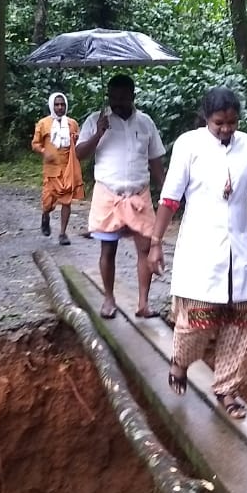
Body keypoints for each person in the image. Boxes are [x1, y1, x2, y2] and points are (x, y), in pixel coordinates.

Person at [147, 87, 247, 420]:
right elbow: (170, 199)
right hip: (201, 249)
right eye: (219, 123)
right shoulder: (189, 145)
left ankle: (228, 389)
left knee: (242, 325)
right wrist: (156, 241)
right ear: (207, 119)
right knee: (195, 322)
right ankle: (180, 361)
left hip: (239, 251)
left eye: (232, 122)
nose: (227, 129)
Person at [76, 74, 166, 319]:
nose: (117, 101)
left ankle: (143, 303)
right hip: (109, 194)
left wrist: (167, 193)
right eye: (113, 96)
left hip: (139, 194)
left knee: (145, 249)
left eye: (122, 96)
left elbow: (156, 161)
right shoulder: (96, 120)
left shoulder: (146, 123)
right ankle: (108, 298)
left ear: (132, 95)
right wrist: (98, 133)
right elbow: (78, 155)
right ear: (108, 95)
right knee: (108, 250)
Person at [31, 92, 85, 245]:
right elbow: (35, 144)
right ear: (51, 106)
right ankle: (45, 215)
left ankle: (62, 233)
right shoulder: (43, 123)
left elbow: (79, 144)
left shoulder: (72, 123)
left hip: (68, 168)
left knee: (66, 201)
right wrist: (44, 151)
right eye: (57, 104)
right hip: (51, 170)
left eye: (62, 104)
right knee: (48, 201)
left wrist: (76, 141)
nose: (60, 107)